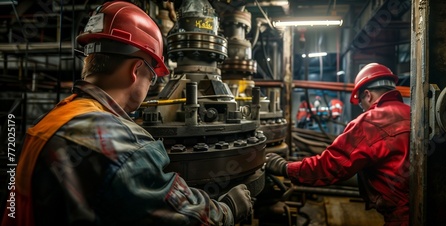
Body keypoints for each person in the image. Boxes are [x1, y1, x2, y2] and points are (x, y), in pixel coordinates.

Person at [2, 2, 252, 226]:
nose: (151, 86)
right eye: (152, 77)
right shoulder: (123, 145)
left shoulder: (50, 120)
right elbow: (188, 218)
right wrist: (229, 208)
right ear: (136, 70)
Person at [266, 63, 410, 225]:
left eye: (361, 103)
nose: (363, 109)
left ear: (368, 95)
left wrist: (286, 168)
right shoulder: (412, 113)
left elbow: (330, 166)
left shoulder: (370, 121)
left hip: (400, 216)